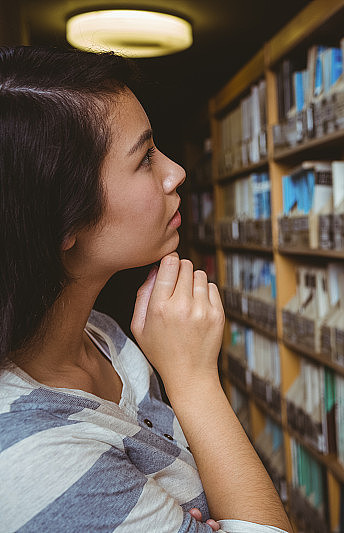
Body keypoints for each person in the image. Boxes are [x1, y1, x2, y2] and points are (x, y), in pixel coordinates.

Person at [0, 46, 292, 533]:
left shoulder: (102, 336)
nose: (176, 172)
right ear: (62, 221)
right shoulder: (31, 459)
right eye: (145, 158)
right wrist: (194, 379)